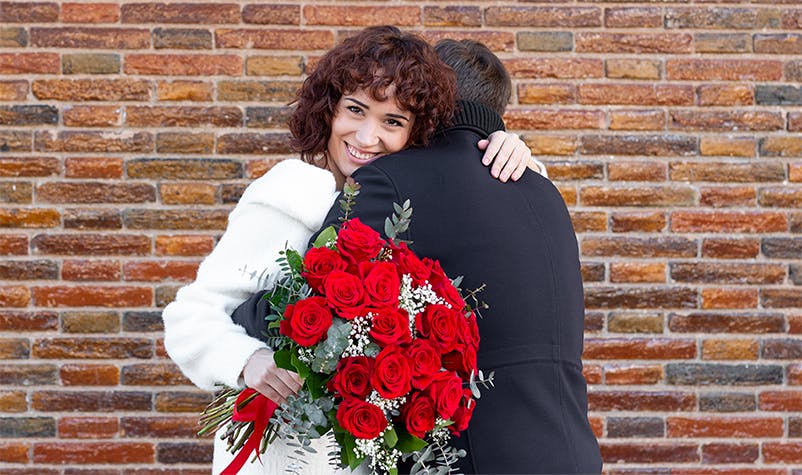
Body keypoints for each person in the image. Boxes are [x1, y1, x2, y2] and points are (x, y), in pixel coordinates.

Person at [161, 26, 545, 475]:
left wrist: (512, 150)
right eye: (355, 110)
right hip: (284, 453)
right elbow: (190, 315)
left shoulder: (396, 203)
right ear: (329, 109)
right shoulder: (294, 190)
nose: (367, 137)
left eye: (393, 122)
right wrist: (248, 362)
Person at [233, 39, 602, 474]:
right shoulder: (542, 189)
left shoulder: (391, 180)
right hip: (574, 454)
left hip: (474, 459)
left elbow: (308, 305)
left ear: (424, 93)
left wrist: (241, 314)